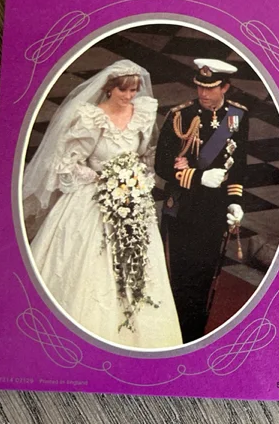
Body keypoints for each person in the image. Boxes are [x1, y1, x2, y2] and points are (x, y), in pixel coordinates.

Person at [23, 59, 182, 348]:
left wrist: (136, 179)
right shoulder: (91, 118)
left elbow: (146, 155)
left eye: (133, 90)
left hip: (132, 200)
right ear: (109, 88)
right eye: (123, 91)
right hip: (93, 199)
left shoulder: (142, 114)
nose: (129, 96)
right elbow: (68, 164)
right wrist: (103, 179)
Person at [155, 59, 249, 343]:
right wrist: (197, 177)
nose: (203, 93)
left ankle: (194, 337)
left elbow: (238, 165)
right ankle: (173, 337)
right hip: (183, 208)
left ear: (225, 87)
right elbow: (162, 165)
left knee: (205, 277)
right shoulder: (180, 116)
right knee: (180, 278)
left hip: (214, 210)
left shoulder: (237, 116)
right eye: (199, 87)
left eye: (210, 88)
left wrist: (235, 201)